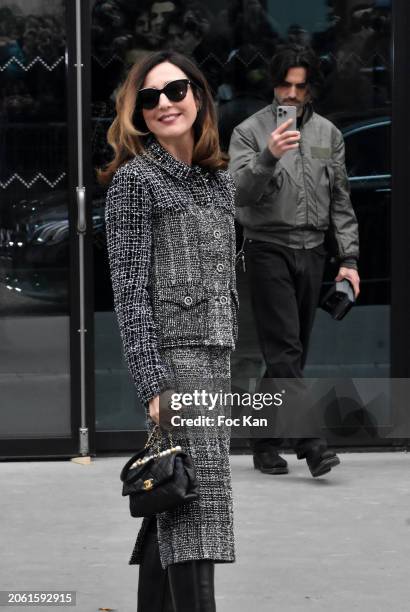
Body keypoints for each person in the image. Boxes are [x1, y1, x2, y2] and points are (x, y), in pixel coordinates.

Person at [100, 50, 238, 611]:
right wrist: (154, 384)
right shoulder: (136, 183)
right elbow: (130, 296)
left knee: (177, 493)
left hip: (217, 360)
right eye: (149, 97)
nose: (164, 104)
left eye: (175, 90)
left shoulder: (217, 182)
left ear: (198, 97)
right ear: (137, 112)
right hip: (176, 366)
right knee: (199, 508)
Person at [228, 44, 360, 478]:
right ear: (273, 83)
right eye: (284, 84)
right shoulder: (250, 132)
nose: (290, 93)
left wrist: (349, 259)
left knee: (289, 354)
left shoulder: (328, 135)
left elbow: (341, 200)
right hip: (267, 247)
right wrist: (270, 155)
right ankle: (311, 442)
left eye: (299, 86)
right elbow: (239, 195)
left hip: (314, 251)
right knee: (285, 348)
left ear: (310, 90)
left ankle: (264, 442)